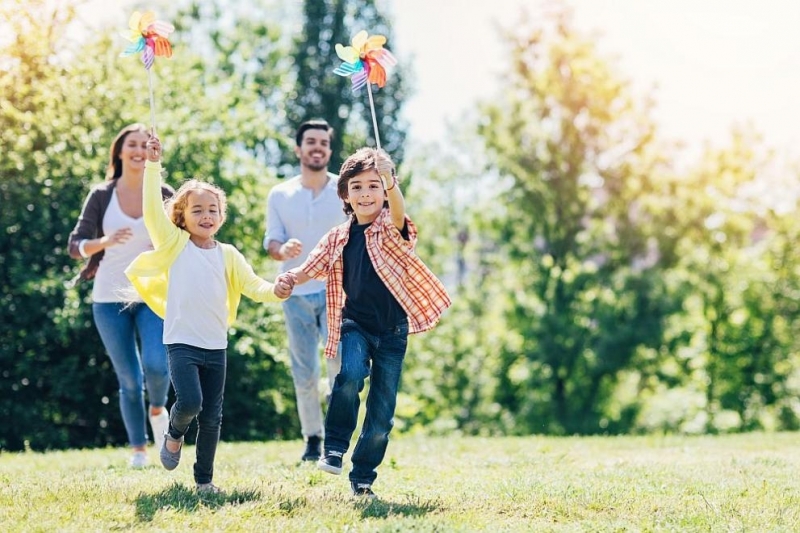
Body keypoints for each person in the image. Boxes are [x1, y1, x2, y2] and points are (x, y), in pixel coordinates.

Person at [125, 134, 294, 494]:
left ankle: (204, 481)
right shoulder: (175, 244)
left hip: (215, 345)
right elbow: (153, 212)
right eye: (197, 210)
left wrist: (276, 289)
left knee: (213, 417)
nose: (206, 215)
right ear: (182, 217)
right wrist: (153, 165)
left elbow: (254, 286)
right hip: (181, 342)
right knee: (190, 402)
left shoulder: (228, 254)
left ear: (221, 216)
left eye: (212, 210)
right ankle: (173, 432)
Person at [285, 148, 451, 499]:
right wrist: (290, 279)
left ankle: (363, 477)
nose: (365, 193)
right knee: (348, 376)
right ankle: (334, 448)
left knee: (382, 413)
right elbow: (309, 267)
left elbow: (400, 212)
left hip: (393, 332)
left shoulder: (390, 228)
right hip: (355, 324)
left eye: (374, 186)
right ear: (345, 194)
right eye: (357, 187)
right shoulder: (337, 238)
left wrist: (390, 180)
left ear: (385, 191)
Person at [67, 123, 173, 468]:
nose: (138, 150)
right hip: (108, 299)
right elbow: (75, 245)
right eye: (132, 144)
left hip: (151, 295)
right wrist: (104, 242)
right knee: (129, 379)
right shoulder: (102, 195)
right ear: (120, 151)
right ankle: (139, 450)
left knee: (157, 366)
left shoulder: (164, 193)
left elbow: (183, 240)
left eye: (145, 144)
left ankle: (158, 406)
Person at [264, 120, 346, 461]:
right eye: (310, 142)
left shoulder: (345, 188)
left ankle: (337, 438)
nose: (317, 147)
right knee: (305, 373)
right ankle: (313, 437)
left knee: (338, 370)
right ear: (298, 149)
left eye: (323, 143)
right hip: (295, 293)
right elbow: (272, 241)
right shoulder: (280, 194)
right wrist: (283, 252)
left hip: (336, 292)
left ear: (329, 149)